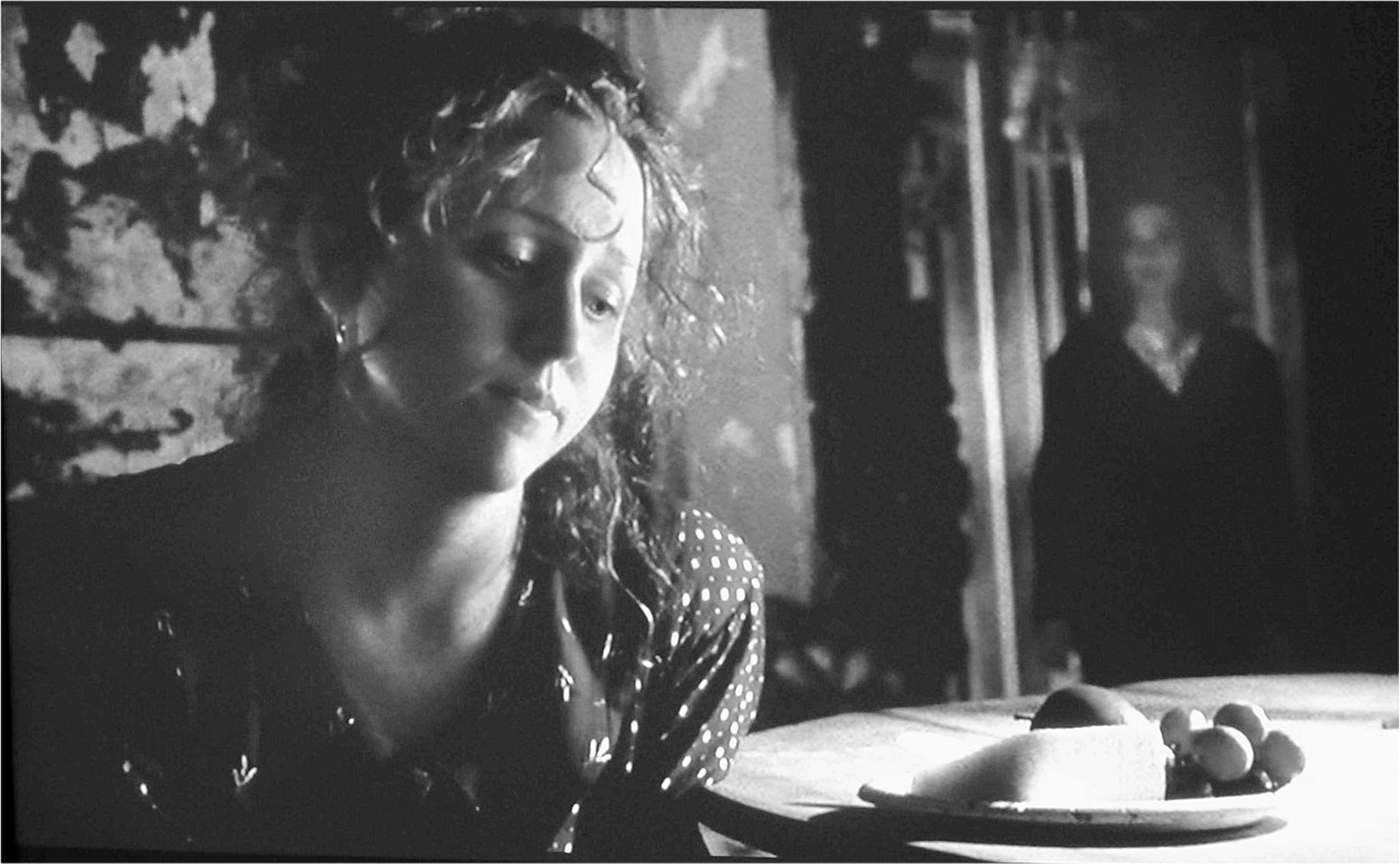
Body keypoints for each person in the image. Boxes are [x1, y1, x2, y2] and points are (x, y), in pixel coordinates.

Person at [7, 12, 764, 859]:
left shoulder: (672, 599)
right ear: (339, 258)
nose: (561, 340)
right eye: (512, 259)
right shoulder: (72, 592)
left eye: (602, 301)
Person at [1031, 193, 1299, 687]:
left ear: (1188, 251)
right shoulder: (1081, 362)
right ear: (1112, 259)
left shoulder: (1243, 359)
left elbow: (1273, 488)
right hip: (1123, 602)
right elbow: (1058, 492)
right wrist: (1055, 611)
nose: (1148, 256)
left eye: (1163, 240)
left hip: (1226, 593)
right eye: (1132, 244)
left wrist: (1286, 598)